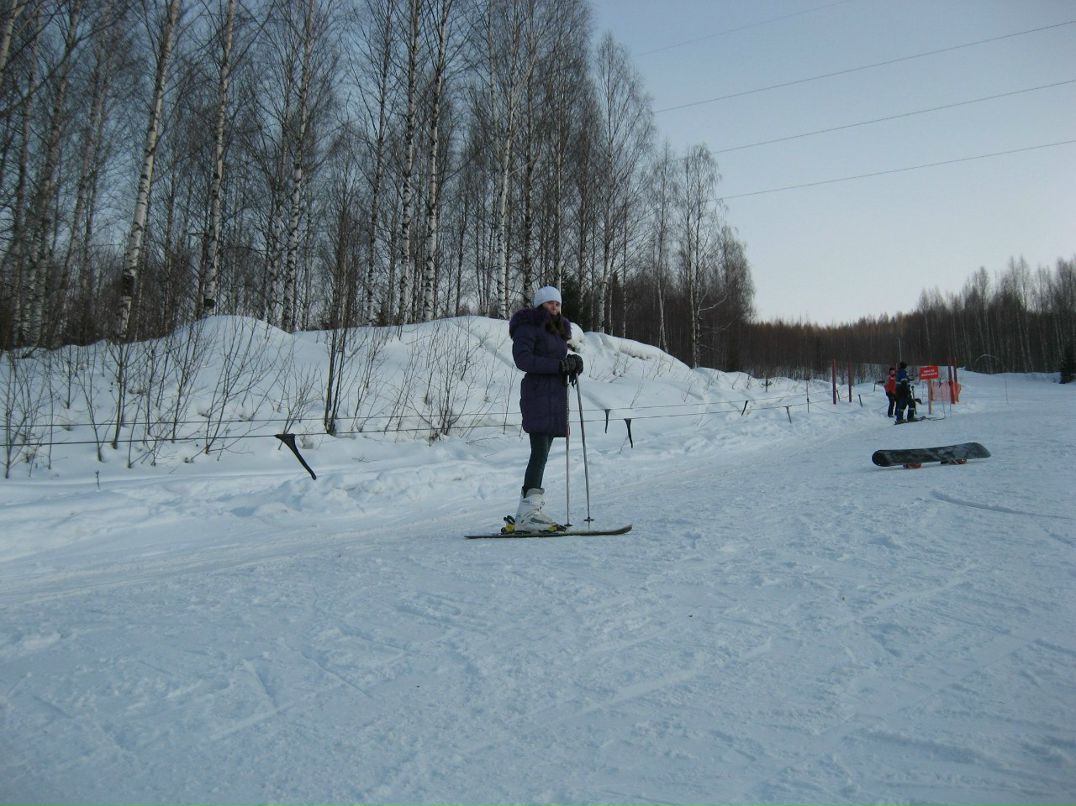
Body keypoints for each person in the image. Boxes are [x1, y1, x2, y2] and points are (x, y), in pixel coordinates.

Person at [508, 286, 583, 532]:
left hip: (555, 398)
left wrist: (572, 364)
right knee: (539, 453)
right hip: (538, 396)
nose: (555, 307)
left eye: (558, 304)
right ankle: (528, 513)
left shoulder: (556, 331)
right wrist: (559, 366)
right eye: (550, 303)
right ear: (540, 305)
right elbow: (524, 360)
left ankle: (529, 510)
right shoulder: (528, 327)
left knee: (543, 454)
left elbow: (558, 360)